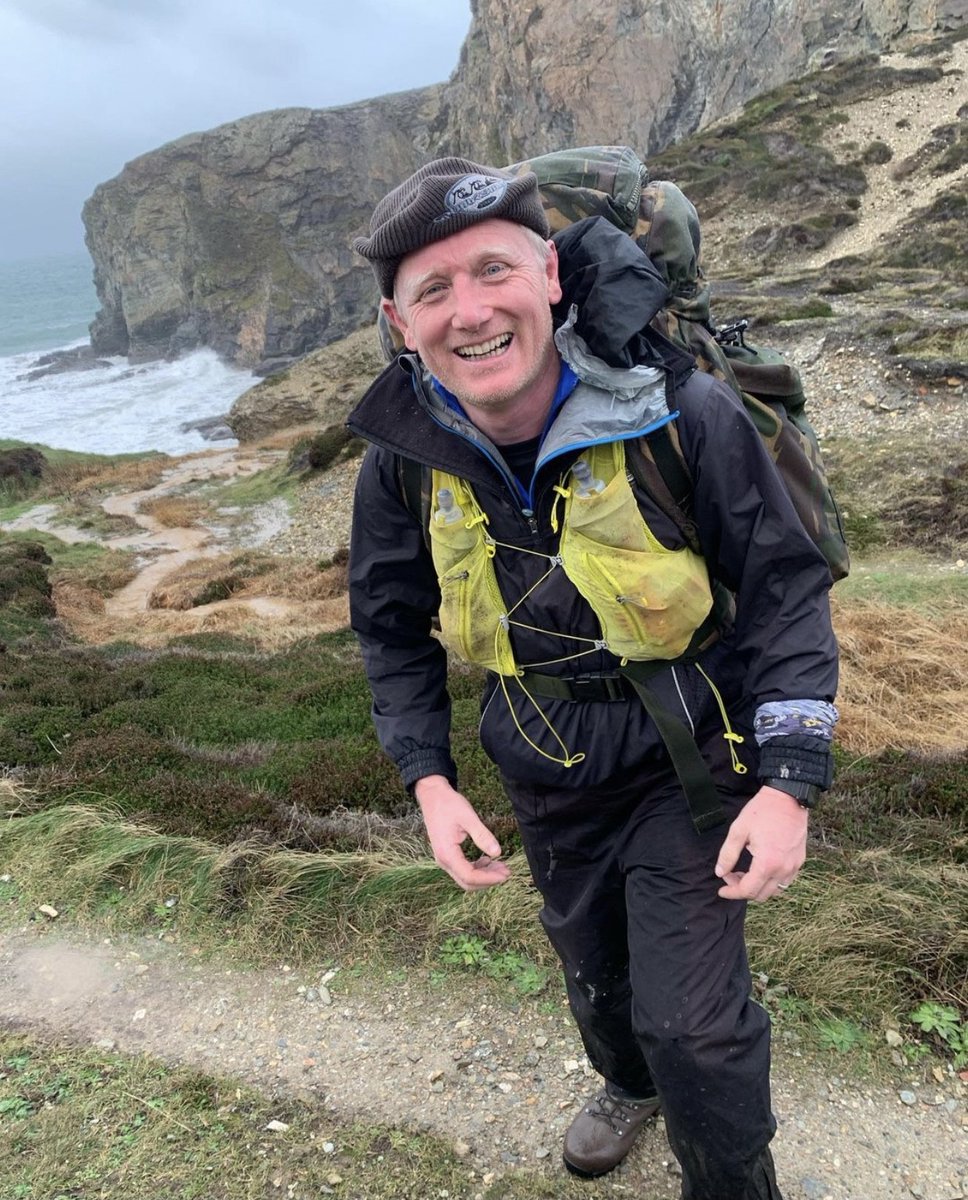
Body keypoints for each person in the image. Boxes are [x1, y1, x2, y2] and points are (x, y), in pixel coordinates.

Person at [348, 157, 839, 1200]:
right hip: (539, 765)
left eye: (492, 272)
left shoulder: (682, 413)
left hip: (688, 761)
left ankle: (730, 1181)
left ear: (551, 280)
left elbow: (784, 587)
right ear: (399, 324)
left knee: (692, 1028)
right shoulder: (400, 455)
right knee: (595, 974)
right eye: (432, 291)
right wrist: (427, 781)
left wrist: (787, 783)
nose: (468, 312)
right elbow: (388, 628)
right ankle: (625, 1083)